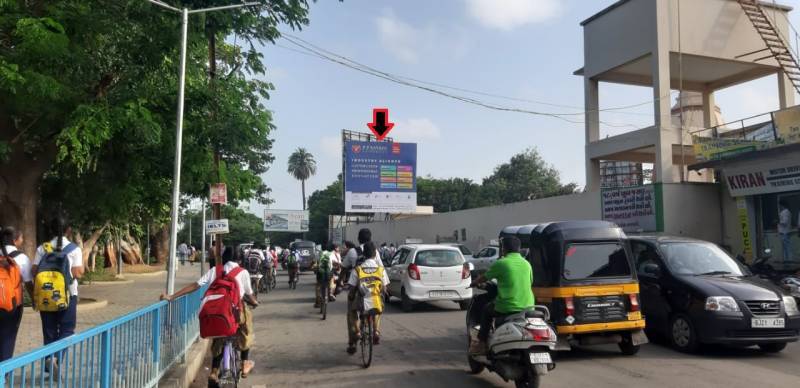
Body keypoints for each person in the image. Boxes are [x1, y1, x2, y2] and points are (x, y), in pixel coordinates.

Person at [160, 246, 258, 381]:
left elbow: (195, 285)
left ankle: (214, 371)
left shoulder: (215, 270)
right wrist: (255, 302)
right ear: (240, 259)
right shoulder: (243, 272)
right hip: (235, 312)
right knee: (247, 329)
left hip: (217, 312)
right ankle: (245, 362)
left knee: (219, 336)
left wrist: (171, 296)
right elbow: (249, 294)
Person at [32, 216, 84, 371]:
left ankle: (50, 362)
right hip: (68, 296)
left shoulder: (42, 248)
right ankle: (56, 358)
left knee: (49, 331)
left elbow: (34, 271)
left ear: (51, 230)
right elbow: (78, 273)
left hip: (46, 296)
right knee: (67, 330)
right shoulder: (74, 249)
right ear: (68, 230)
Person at [469, 236, 534, 355]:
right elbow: (530, 282)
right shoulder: (527, 264)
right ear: (519, 249)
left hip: (508, 306)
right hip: (528, 306)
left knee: (487, 310)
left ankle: (481, 344)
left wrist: (474, 282)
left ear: (504, 249)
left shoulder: (502, 263)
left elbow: (484, 277)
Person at [346, 242, 389, 354]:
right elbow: (384, 287)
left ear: (364, 254)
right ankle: (376, 332)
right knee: (378, 311)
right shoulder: (381, 269)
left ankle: (357, 332)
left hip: (361, 300)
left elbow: (352, 288)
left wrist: (351, 296)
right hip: (375, 300)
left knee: (352, 312)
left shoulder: (357, 269)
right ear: (375, 254)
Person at [0, 227, 32, 362]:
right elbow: (28, 282)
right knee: (8, 338)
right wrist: (34, 300)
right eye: (21, 238)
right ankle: (4, 370)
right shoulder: (22, 257)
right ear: (15, 240)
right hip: (12, 306)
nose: (22, 240)